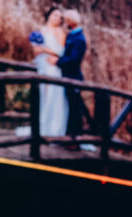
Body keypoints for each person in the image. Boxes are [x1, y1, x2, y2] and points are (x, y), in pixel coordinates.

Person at [22, 9, 68, 141]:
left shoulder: (60, 32)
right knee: (43, 94)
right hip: (42, 65)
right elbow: (36, 50)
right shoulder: (41, 30)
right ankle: (41, 125)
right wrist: (39, 49)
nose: (57, 18)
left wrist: (45, 50)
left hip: (53, 67)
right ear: (49, 15)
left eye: (60, 17)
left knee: (53, 93)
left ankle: (53, 128)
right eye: (55, 15)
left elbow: (61, 52)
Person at [56, 8, 92, 141]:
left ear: (70, 22)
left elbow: (74, 60)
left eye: (66, 20)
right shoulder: (72, 35)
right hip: (67, 76)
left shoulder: (79, 39)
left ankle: (75, 137)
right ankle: (71, 134)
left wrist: (58, 62)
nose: (65, 22)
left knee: (75, 107)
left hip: (73, 77)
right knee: (71, 105)